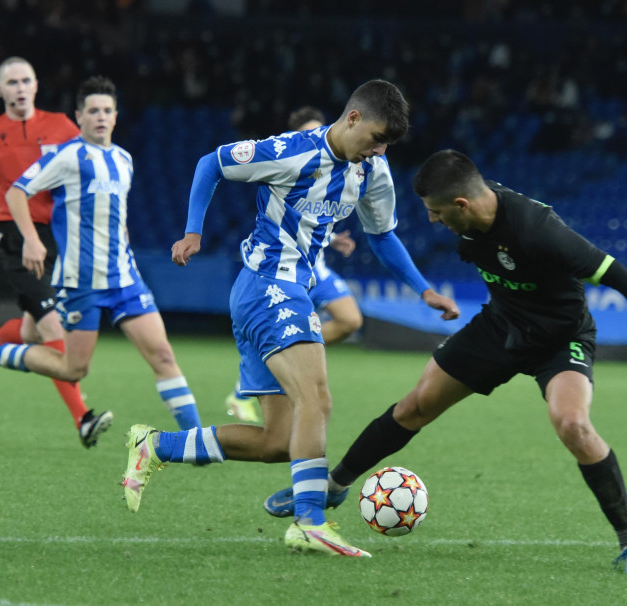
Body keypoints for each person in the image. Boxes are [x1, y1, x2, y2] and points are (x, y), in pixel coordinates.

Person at [263, 149, 627, 573]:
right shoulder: (471, 222)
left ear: (462, 205)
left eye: (437, 212)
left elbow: (619, 276)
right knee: (415, 406)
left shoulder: (539, 231)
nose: (433, 220)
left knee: (573, 425)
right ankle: (336, 485)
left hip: (560, 338)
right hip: (500, 326)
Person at [121, 80, 460, 557]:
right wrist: (192, 231)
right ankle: (310, 521)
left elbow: (382, 235)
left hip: (282, 291)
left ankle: (155, 446)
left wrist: (423, 288)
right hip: (268, 286)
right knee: (316, 399)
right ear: (353, 119)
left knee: (277, 443)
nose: (378, 150)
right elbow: (210, 164)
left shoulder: (372, 170)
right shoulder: (290, 150)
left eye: (386, 145)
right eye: (375, 138)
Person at [0, 76, 204, 438]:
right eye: (93, 111)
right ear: (80, 116)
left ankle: (197, 441)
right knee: (74, 369)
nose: (100, 117)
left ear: (116, 117)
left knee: (163, 357)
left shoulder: (124, 159)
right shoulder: (66, 156)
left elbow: (116, 217)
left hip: (124, 279)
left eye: (107, 110)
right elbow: (16, 193)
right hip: (80, 283)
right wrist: (30, 239)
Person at [0, 56, 111, 448]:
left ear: (36, 86)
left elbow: (87, 166)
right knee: (54, 327)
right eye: (12, 82)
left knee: (30, 330)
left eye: (26, 81)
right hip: (17, 239)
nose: (20, 88)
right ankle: (82, 419)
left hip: (58, 236)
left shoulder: (61, 126)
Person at [224, 106, 364, 423]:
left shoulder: (338, 164)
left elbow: (316, 219)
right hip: (280, 271)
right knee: (302, 415)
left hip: (317, 269)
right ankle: (270, 370)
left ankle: (285, 357)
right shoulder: (287, 161)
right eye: (309, 132)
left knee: (350, 320)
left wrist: (331, 239)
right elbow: (287, 219)